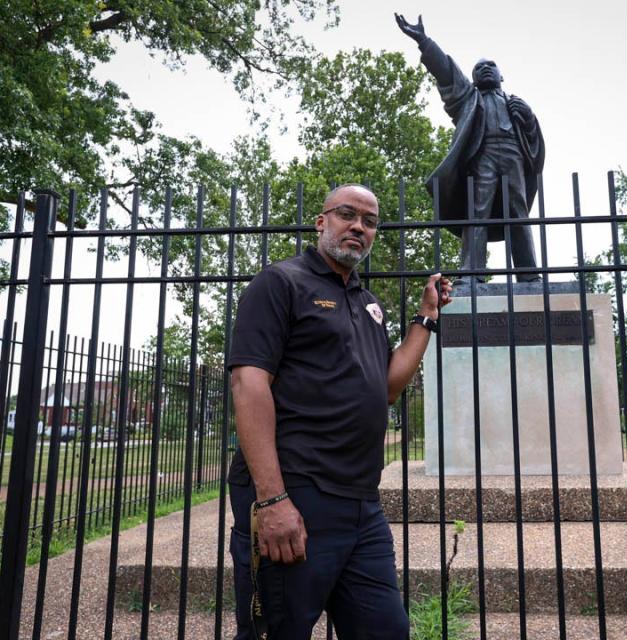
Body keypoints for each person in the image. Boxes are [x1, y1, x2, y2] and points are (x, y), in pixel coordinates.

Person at [227, 184, 453, 639]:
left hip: (362, 505)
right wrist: (272, 499)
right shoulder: (281, 283)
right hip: (296, 492)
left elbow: (386, 387)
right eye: (348, 214)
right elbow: (248, 384)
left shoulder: (367, 303)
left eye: (369, 222)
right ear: (321, 221)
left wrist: (427, 315)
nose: (359, 227)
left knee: (386, 631)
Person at [396, 13, 545, 282]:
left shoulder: (515, 103)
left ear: (502, 75)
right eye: (478, 68)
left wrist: (529, 117)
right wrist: (424, 42)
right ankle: (472, 271)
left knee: (518, 214)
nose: (485, 68)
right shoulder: (469, 98)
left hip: (513, 155)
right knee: (477, 213)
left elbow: (534, 145)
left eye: (491, 65)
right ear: (473, 78)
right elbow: (447, 72)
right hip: (483, 155)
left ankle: (529, 274)